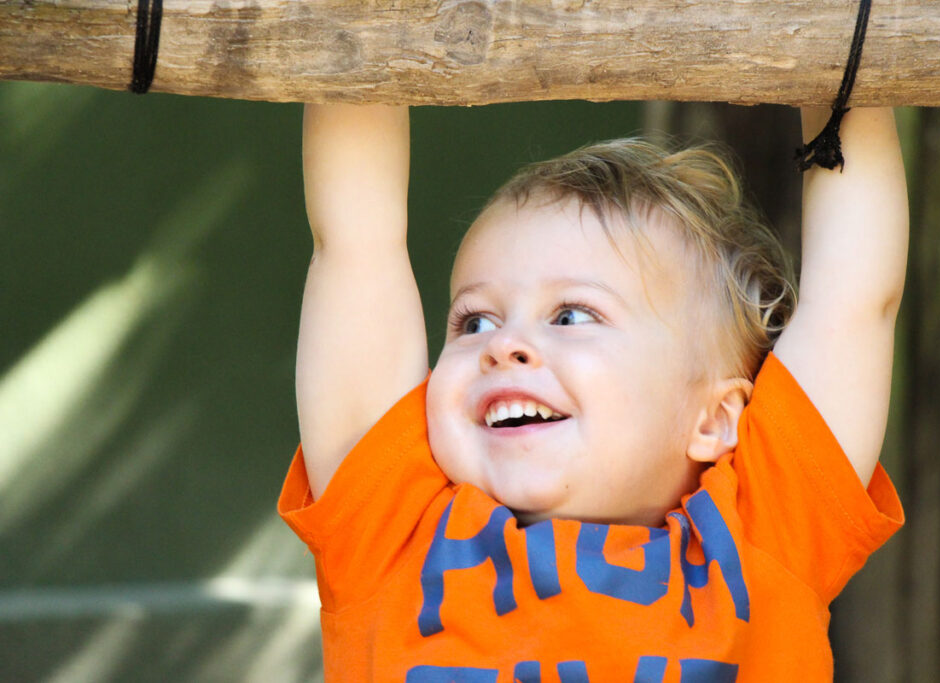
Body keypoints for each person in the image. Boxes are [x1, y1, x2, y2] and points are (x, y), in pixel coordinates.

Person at [279, 103, 907, 681]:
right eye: (474, 322)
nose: (504, 345)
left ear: (714, 419)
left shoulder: (766, 536)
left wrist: (850, 57)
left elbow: (853, 302)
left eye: (572, 316)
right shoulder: (389, 533)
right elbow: (356, 248)